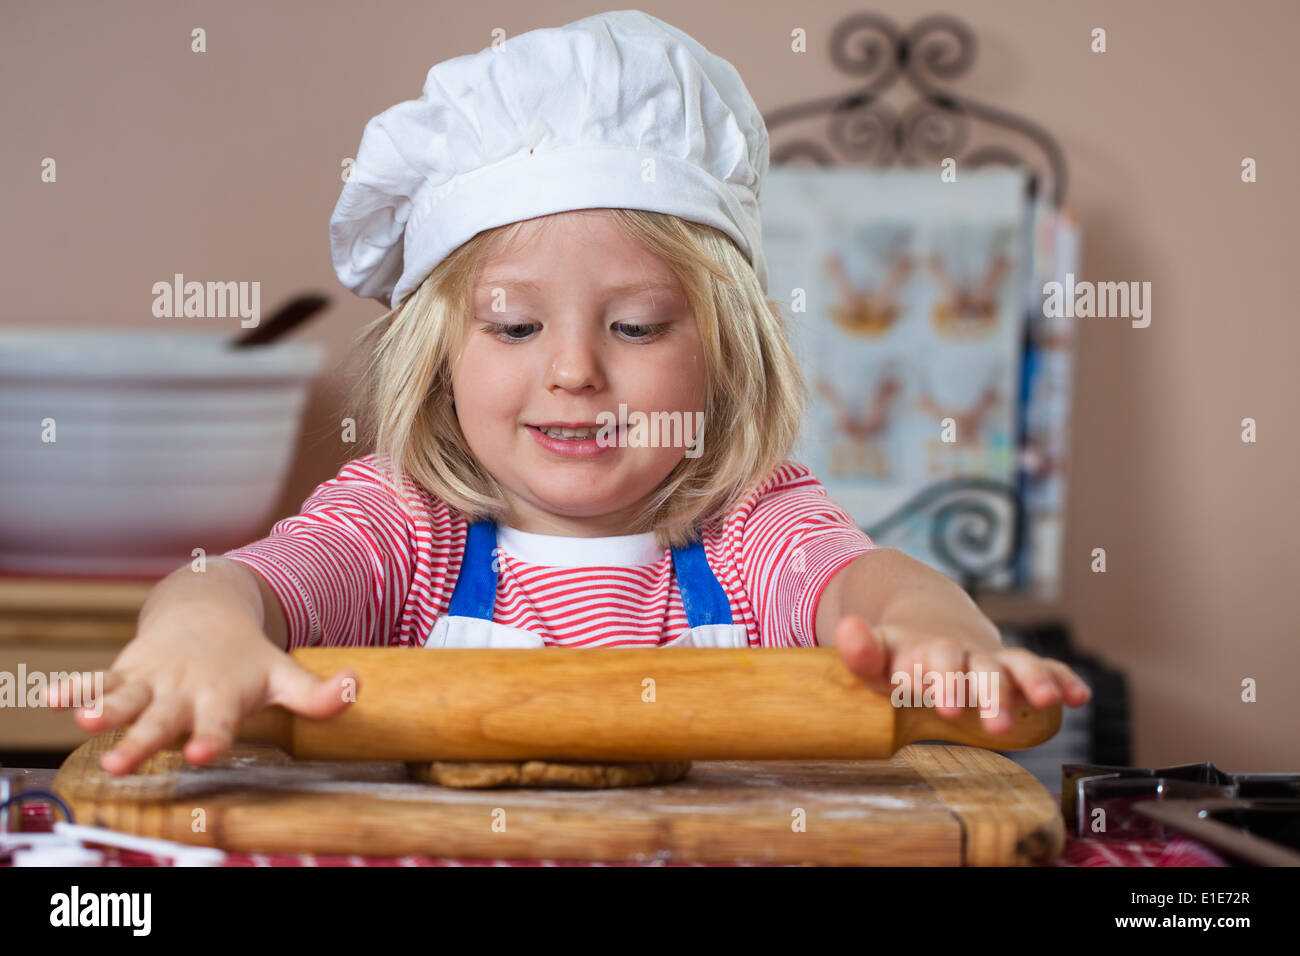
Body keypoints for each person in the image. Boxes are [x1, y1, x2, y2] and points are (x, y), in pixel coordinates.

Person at [50, 10, 1090, 776]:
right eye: (513, 325)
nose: (575, 370)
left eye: (636, 326)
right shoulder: (402, 527)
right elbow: (244, 587)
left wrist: (931, 625)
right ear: (441, 353)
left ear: (726, 353)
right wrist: (199, 630)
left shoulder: (747, 525)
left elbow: (868, 586)